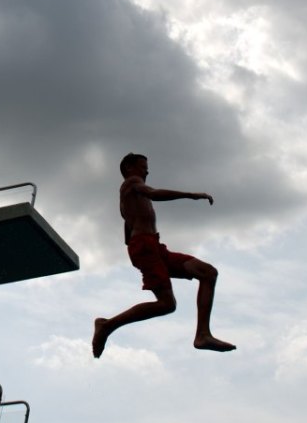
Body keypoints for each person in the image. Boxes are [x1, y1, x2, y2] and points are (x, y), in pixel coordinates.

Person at [92, 153, 235, 357]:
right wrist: (190, 195)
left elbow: (127, 231)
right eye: (143, 167)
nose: (147, 171)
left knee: (208, 272)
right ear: (129, 169)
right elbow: (154, 193)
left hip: (154, 248)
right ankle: (106, 325)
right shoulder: (133, 183)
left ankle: (203, 334)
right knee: (166, 305)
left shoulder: (129, 198)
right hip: (145, 247)